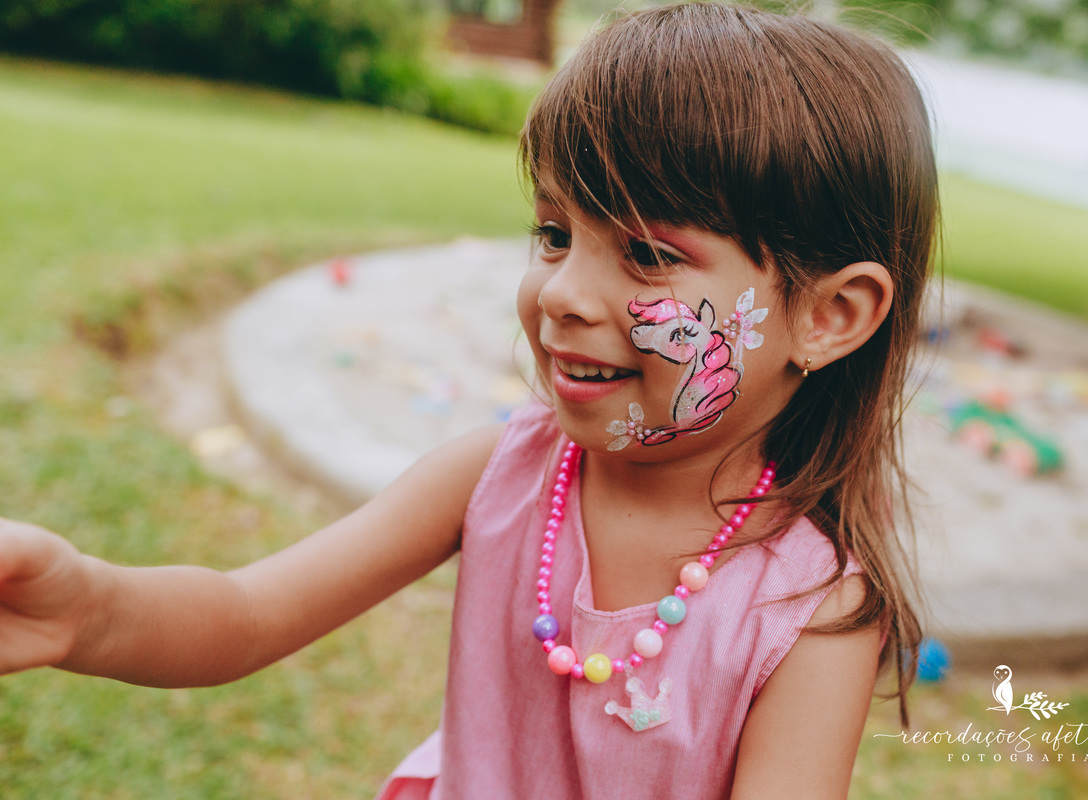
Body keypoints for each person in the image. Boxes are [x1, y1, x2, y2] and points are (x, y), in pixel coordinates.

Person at [0, 3, 936, 797]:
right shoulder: (500, 476)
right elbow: (247, 615)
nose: (563, 291)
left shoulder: (811, 608)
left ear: (828, 314)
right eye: (554, 231)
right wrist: (86, 607)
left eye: (647, 253)